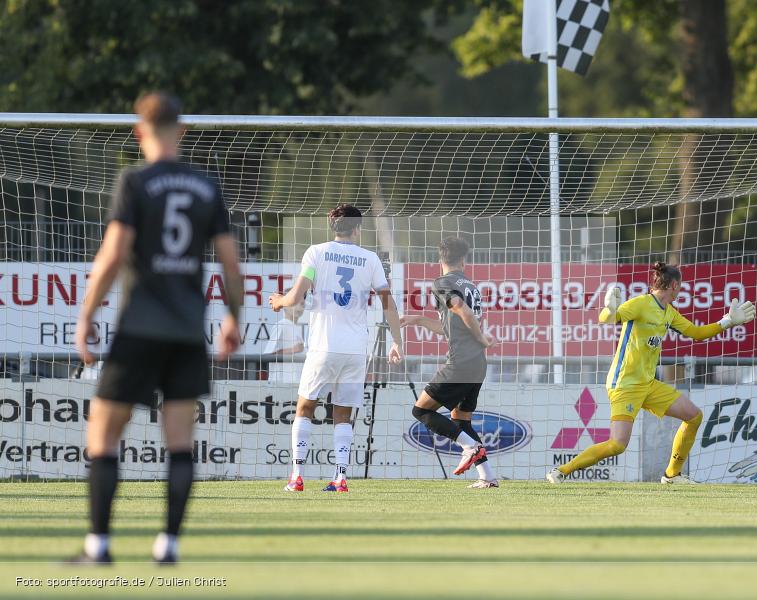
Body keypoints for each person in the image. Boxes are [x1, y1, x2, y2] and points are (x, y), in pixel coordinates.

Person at [71, 91, 243, 564]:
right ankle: (168, 545)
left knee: (103, 436)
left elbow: (112, 254)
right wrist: (234, 317)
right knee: (181, 440)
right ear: (181, 131)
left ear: (139, 131)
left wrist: (86, 314)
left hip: (140, 326)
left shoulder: (136, 181)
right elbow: (230, 264)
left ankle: (99, 545)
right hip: (189, 330)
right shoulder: (208, 187)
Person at [547, 262, 755, 485]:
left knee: (694, 416)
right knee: (617, 445)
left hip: (648, 384)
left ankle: (672, 475)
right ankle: (561, 471)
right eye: (681, 286)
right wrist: (609, 308)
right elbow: (606, 318)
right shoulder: (641, 303)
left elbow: (696, 333)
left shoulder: (669, 312)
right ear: (674, 285)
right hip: (625, 383)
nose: (680, 290)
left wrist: (727, 321)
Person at [269, 204, 403, 493]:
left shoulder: (315, 252)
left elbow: (295, 297)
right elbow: (388, 303)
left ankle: (297, 476)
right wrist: (397, 340)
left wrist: (279, 301)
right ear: (358, 228)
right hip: (356, 350)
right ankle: (340, 477)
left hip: (324, 346)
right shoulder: (370, 259)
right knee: (343, 414)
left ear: (333, 227)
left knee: (305, 407)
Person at [400, 237, 499, 488]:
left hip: (461, 362)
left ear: (440, 259)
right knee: (461, 421)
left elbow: (462, 312)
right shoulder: (471, 286)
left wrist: (482, 338)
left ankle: (469, 447)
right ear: (463, 259)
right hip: (477, 364)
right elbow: (450, 328)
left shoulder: (443, 282)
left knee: (421, 410)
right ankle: (487, 477)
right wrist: (419, 320)